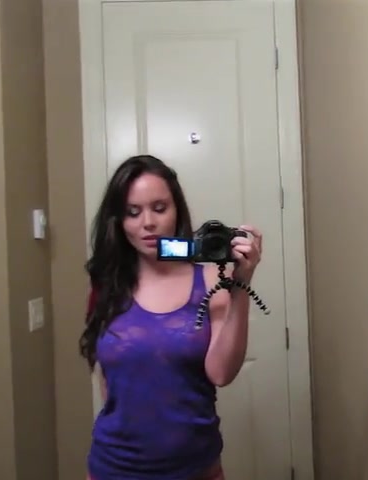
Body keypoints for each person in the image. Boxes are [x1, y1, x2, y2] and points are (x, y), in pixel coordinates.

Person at [80, 155, 263, 480]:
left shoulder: (211, 281)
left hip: (196, 469)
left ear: (176, 210)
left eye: (159, 208)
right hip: (113, 468)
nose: (148, 222)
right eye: (132, 212)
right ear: (118, 221)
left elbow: (221, 373)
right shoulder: (107, 285)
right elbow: (109, 381)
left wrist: (241, 285)